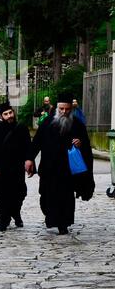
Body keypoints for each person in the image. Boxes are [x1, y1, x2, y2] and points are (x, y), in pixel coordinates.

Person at [32, 92, 95, 235]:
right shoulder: (47, 122)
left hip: (68, 169)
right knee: (46, 196)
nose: (64, 112)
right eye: (61, 109)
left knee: (66, 198)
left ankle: (63, 224)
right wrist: (29, 159)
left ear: (71, 109)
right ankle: (50, 217)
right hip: (49, 168)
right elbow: (36, 142)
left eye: (67, 109)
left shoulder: (78, 125)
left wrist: (80, 143)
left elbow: (86, 145)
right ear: (57, 108)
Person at [0, 101, 34, 232]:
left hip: (17, 168)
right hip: (0, 169)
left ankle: (16, 213)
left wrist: (29, 161)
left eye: (10, 113)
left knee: (19, 195)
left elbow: (28, 147)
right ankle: (3, 220)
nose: (9, 116)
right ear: (1, 116)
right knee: (0, 196)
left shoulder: (21, 128)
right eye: (6, 114)